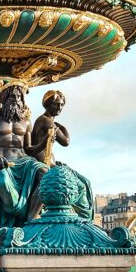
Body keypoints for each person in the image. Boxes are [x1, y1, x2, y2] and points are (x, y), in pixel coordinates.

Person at [0, 83, 48, 231]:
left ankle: (31, 219)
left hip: (24, 162)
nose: (16, 99)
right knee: (1, 180)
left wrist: (45, 142)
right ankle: (13, 215)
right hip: (2, 162)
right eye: (12, 96)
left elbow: (28, 148)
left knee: (46, 175)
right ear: (3, 98)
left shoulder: (26, 122)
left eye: (19, 97)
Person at [30, 90, 94, 221]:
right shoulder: (46, 121)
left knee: (85, 182)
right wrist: (61, 126)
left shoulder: (46, 121)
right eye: (56, 104)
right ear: (47, 105)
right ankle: (84, 218)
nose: (59, 108)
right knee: (81, 186)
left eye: (61, 105)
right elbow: (66, 141)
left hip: (51, 162)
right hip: (45, 163)